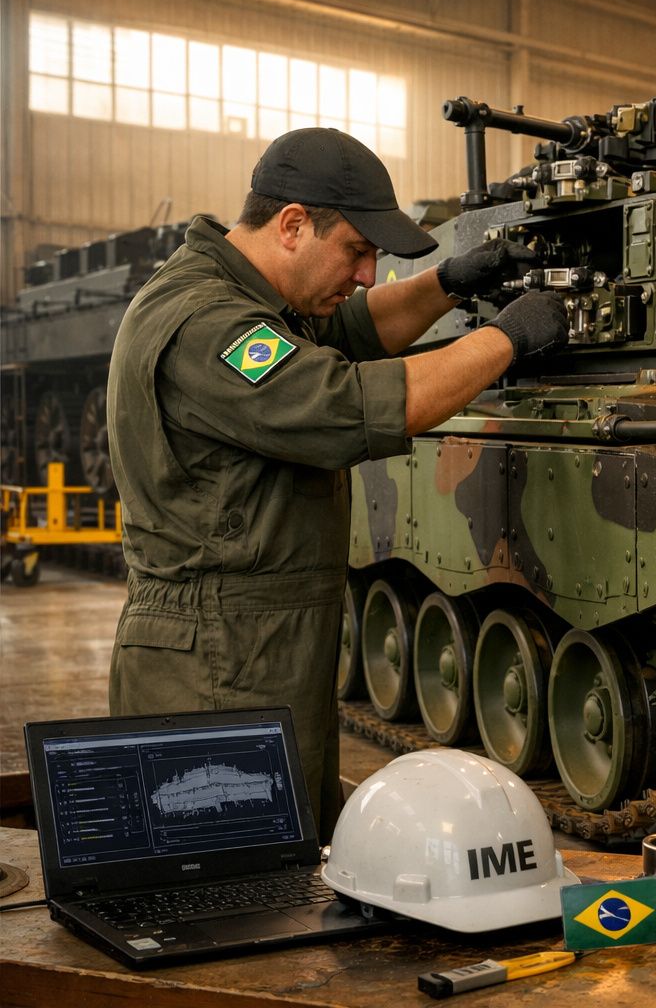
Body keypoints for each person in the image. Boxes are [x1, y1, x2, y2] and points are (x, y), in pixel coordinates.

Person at [106, 128, 567, 838]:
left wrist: (447, 284)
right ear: (292, 225)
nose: (367, 275)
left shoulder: (250, 297)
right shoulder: (206, 320)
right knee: (229, 883)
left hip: (262, 645)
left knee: (285, 866)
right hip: (216, 661)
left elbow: (351, 329)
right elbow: (342, 406)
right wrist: (508, 337)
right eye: (357, 250)